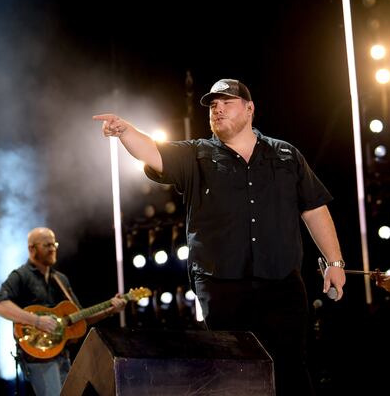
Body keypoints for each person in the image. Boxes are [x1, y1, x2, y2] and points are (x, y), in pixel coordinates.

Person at [94, 78, 346, 395]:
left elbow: (314, 209)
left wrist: (334, 261)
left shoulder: (285, 155)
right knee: (234, 371)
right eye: (214, 105)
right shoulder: (196, 155)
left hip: (281, 282)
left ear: (250, 108)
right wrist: (126, 131)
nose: (218, 109)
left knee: (291, 367)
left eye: (226, 102)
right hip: (222, 284)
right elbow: (153, 152)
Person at [0, 227, 126, 396]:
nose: (53, 248)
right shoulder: (21, 275)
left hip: (62, 354)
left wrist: (110, 310)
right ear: (32, 248)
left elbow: (80, 317)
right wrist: (37, 321)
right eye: (47, 245)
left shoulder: (60, 279)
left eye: (54, 244)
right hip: (39, 356)